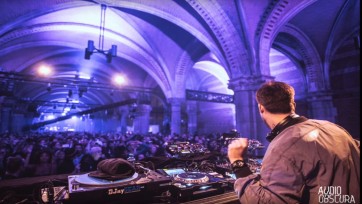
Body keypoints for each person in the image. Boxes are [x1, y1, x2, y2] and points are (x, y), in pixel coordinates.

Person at [227, 81, 360, 204]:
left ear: (261, 108)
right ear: (293, 105)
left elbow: (266, 201)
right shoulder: (334, 128)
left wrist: (238, 163)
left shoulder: (283, 146)